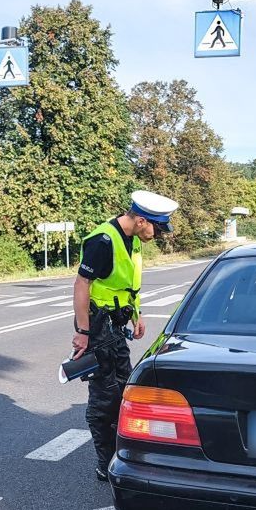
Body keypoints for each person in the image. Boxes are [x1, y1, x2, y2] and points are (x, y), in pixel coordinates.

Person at [72, 190, 178, 481]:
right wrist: (83, 332)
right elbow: (82, 285)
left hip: (116, 325)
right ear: (141, 220)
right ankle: (104, 461)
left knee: (123, 388)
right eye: (156, 228)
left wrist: (136, 313)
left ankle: (123, 452)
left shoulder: (132, 239)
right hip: (98, 326)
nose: (157, 234)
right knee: (104, 395)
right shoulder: (103, 240)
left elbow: (125, 286)